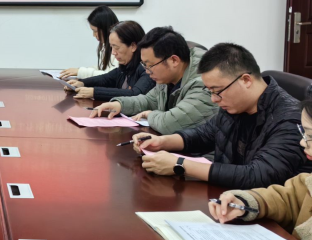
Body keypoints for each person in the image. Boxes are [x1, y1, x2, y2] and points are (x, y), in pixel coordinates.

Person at [131, 43, 312, 188]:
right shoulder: (235, 105)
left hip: (267, 213)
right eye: (209, 91)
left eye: (217, 91)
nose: (213, 99)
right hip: (228, 197)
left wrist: (179, 164)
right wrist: (162, 142)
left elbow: (258, 175)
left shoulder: (291, 120)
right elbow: (205, 134)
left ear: (246, 80)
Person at [208, 97, 312, 240]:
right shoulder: (307, 182)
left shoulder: (282, 115)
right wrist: (245, 202)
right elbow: (288, 200)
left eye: (310, 136)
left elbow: (257, 173)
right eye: (304, 133)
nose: (303, 142)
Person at [91, 26, 217, 134]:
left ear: (174, 60)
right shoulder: (168, 78)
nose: (147, 71)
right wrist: (120, 104)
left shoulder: (204, 83)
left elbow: (169, 124)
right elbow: (149, 100)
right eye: (144, 65)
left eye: (150, 65)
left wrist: (150, 115)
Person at [66, 20, 154, 101]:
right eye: (111, 47)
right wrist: (82, 83)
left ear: (133, 46)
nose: (113, 52)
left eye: (117, 47)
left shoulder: (148, 69)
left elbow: (135, 94)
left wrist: (94, 92)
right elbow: (106, 79)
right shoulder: (125, 67)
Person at [59, 5, 119, 80]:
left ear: (105, 28)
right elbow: (102, 69)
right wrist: (79, 70)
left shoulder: (118, 49)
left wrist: (81, 72)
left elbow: (111, 76)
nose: (94, 35)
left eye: (95, 31)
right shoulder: (104, 46)